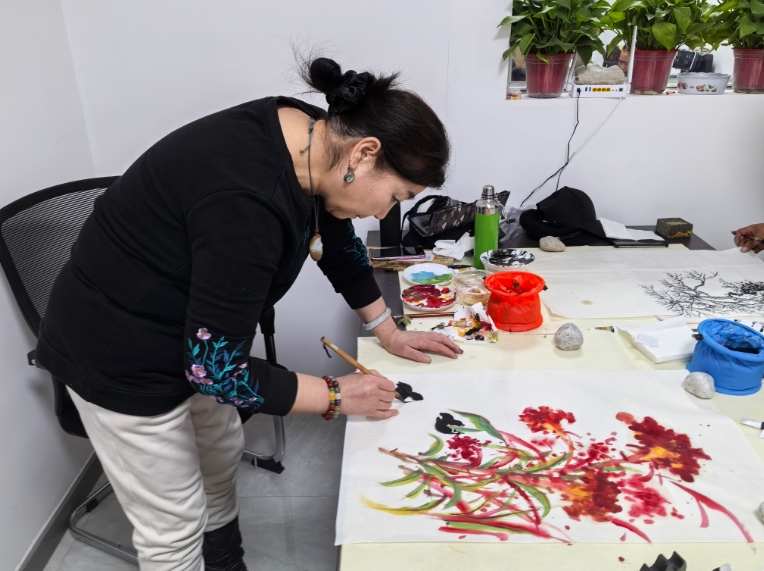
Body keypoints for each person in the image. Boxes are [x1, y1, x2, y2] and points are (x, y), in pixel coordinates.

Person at [37, 57, 461, 571]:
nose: (383, 213)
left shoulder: (316, 137)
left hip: (192, 335)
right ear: (365, 153)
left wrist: (388, 331)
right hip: (119, 354)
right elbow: (217, 371)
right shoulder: (246, 199)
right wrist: (334, 395)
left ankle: (225, 564)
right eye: (396, 196)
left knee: (219, 457)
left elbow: (334, 241)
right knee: (173, 527)